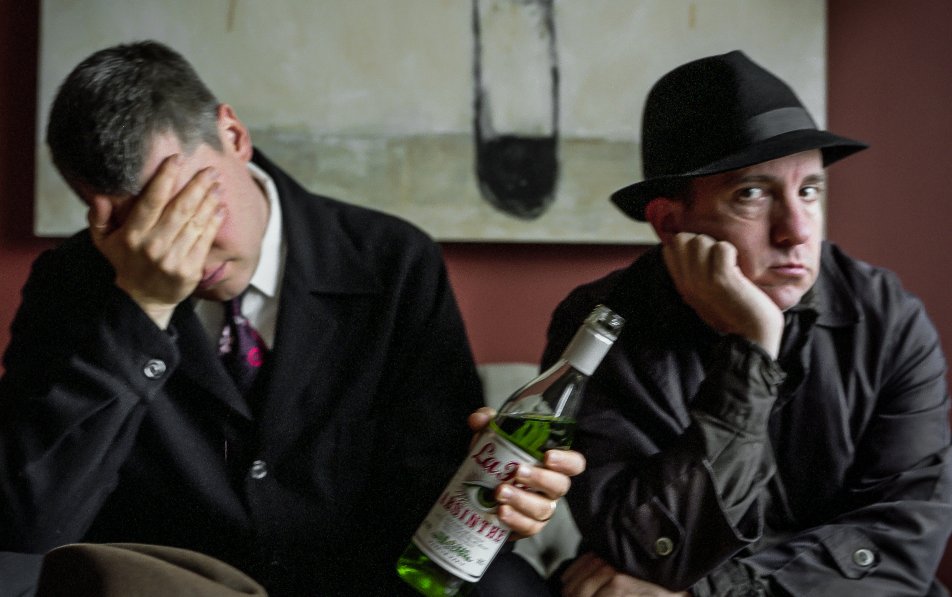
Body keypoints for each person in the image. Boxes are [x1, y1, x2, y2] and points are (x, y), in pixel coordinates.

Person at [0, 40, 583, 596]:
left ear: (233, 136)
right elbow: (28, 526)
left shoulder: (393, 261)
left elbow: (427, 493)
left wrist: (503, 499)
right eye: (128, 226)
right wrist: (139, 310)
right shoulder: (72, 282)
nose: (174, 252)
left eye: (182, 207)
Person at [543, 50, 952, 596]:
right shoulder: (601, 326)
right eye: (752, 194)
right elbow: (643, 549)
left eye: (809, 191)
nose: (796, 230)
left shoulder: (887, 319)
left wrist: (713, 595)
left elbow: (904, 539)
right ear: (671, 223)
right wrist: (751, 348)